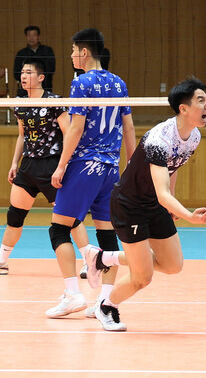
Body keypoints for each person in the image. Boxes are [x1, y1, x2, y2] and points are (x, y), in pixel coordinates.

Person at [84, 77, 206, 331]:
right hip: (129, 205)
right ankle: (106, 306)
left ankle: (103, 258)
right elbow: (162, 191)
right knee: (143, 277)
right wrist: (187, 215)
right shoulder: (159, 139)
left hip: (154, 203)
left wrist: (171, 205)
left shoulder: (193, 136)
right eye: (201, 100)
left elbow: (172, 168)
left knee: (173, 265)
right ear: (183, 108)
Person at [45, 28, 136, 319]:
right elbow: (130, 128)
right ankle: (105, 302)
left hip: (85, 165)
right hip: (111, 169)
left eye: (73, 50)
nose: (71, 55)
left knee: (59, 228)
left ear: (84, 52)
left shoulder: (81, 82)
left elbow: (76, 127)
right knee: (108, 235)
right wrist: (131, 167)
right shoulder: (119, 82)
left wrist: (61, 165)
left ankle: (73, 294)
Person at [0, 58, 87, 274]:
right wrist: (14, 163)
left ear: (40, 77)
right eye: (22, 72)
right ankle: (2, 260)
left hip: (51, 165)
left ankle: (89, 260)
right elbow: (22, 135)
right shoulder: (20, 103)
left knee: (70, 217)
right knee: (15, 215)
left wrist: (63, 164)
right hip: (28, 166)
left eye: (28, 72)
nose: (23, 76)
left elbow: (68, 132)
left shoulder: (54, 101)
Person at [13, 26, 56, 96]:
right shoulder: (21, 53)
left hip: (45, 86)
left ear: (38, 36)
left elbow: (51, 69)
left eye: (34, 35)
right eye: (29, 36)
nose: (31, 38)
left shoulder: (47, 50)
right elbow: (16, 73)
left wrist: (37, 78)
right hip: (25, 90)